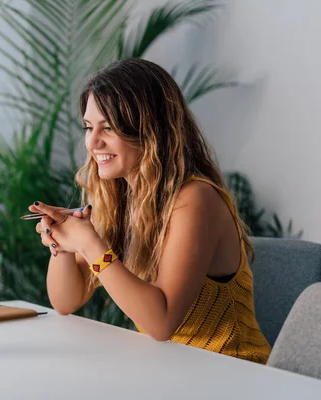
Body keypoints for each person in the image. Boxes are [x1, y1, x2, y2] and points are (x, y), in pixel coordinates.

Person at [29, 58, 271, 364]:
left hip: (236, 372)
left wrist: (90, 244)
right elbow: (66, 301)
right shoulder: (118, 198)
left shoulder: (195, 199)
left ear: (150, 130)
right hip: (168, 369)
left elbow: (161, 322)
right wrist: (62, 244)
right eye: (89, 127)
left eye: (109, 128)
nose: (92, 142)